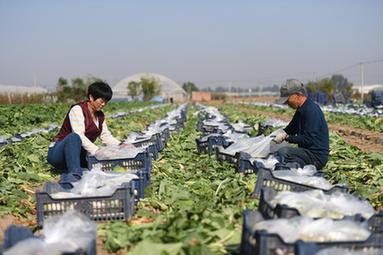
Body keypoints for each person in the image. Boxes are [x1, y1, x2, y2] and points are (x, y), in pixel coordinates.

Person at [47, 81, 122, 177]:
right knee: (74, 137)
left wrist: (121, 145)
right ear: (91, 97)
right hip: (58, 154)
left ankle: (77, 169)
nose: (103, 104)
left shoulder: (100, 115)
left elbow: (105, 136)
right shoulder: (78, 109)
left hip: (78, 154)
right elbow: (79, 135)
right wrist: (97, 150)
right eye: (101, 101)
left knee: (92, 170)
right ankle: (75, 175)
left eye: (106, 102)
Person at [273, 79, 329, 170]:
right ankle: (297, 167)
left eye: (288, 100)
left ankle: (298, 167)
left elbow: (308, 139)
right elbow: (291, 129)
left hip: (316, 156)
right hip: (306, 153)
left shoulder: (311, 110)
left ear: (298, 95)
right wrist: (274, 135)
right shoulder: (301, 110)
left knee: (284, 152)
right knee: (282, 158)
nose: (287, 103)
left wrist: (286, 137)